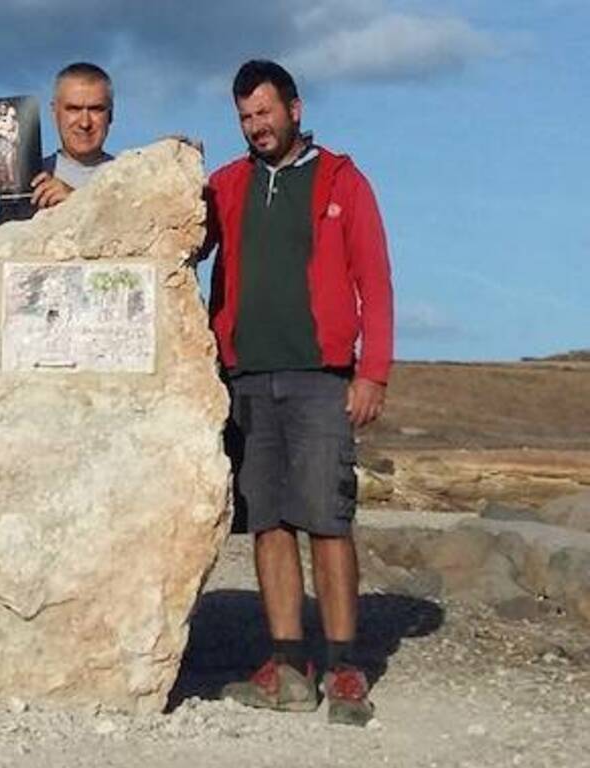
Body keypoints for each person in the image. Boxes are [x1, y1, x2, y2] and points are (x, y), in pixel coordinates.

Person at [203, 60, 393, 726]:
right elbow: (175, 233)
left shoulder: (344, 180)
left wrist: (374, 371)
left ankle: (344, 667)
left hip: (322, 379)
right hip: (246, 379)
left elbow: (376, 277)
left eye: (266, 112)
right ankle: (287, 665)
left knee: (327, 520)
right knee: (268, 522)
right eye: (246, 117)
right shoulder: (227, 184)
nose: (257, 126)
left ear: (295, 108)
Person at [0, 61, 115, 231]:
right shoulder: (27, 178)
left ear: (111, 114)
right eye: (73, 109)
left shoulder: (137, 177)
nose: (85, 122)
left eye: (96, 109)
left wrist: (74, 204)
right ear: (54, 113)